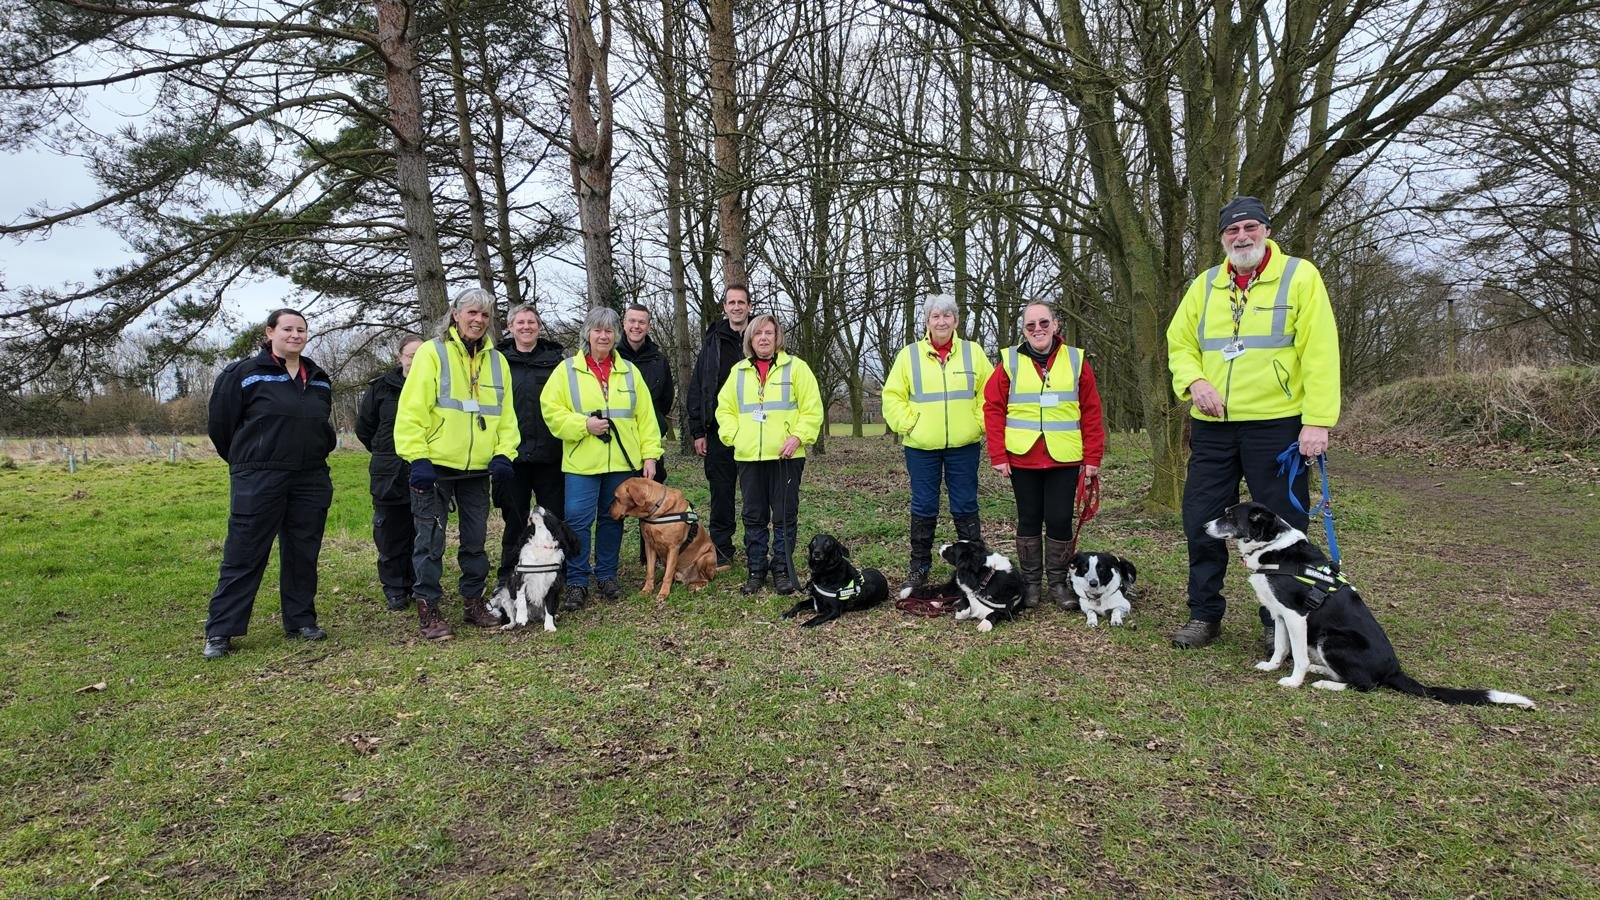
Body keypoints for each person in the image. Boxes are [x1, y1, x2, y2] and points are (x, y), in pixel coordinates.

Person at [1165, 196, 1341, 651]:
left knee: (1283, 524)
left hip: (1277, 426)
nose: (1241, 237)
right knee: (1200, 520)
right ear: (1222, 238)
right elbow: (1178, 344)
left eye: (1249, 227)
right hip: (1213, 427)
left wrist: (1317, 422)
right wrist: (1195, 381)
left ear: (1266, 229)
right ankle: (1204, 615)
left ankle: (1278, 619)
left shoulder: (1300, 277)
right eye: (1231, 231)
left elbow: (1321, 352)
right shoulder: (1204, 286)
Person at [201, 308, 337, 659]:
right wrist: (247, 462)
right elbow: (221, 427)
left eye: (301, 330)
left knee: (303, 552)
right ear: (269, 332)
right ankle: (221, 630)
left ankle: (301, 620)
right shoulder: (243, 374)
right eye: (287, 329)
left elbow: (323, 425)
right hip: (259, 476)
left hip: (309, 477)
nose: (295, 335)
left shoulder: (319, 378)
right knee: (244, 553)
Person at [394, 288, 521, 640]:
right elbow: (411, 411)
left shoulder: (498, 361)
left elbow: (507, 417)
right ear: (455, 314)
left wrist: (503, 453)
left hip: (478, 469)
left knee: (476, 540)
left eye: (485, 315)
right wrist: (417, 457)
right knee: (430, 540)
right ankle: (428, 607)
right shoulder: (432, 354)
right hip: (434, 467)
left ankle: (473, 601)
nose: (478, 320)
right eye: (472, 313)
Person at [982, 302, 1105, 610]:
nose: (1038, 329)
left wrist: (1093, 457)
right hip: (1022, 456)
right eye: (1030, 325)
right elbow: (993, 408)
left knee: (1061, 519)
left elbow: (1091, 411)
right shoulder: (1009, 362)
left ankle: (1059, 583)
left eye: (1043, 323)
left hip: (1064, 456)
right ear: (1023, 330)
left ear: (1055, 325)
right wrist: (998, 453)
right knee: (1029, 519)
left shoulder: (1076, 360)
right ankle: (1032, 583)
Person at [540, 306, 663, 610]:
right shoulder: (567, 370)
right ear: (588, 334)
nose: (604, 335)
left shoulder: (629, 372)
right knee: (578, 522)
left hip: (621, 463)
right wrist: (584, 425)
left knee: (613, 520)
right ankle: (578, 581)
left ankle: (607, 575)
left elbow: (646, 418)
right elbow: (551, 412)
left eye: (609, 331)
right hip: (582, 463)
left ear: (615, 335)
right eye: (598, 330)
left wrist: (650, 455)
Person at [881, 293, 995, 596]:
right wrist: (909, 423)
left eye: (947, 315)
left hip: (964, 444)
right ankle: (919, 568)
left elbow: (991, 391)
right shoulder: (909, 355)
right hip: (921, 446)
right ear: (927, 321)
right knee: (924, 505)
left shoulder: (973, 353)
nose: (941, 321)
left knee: (965, 504)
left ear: (956, 320)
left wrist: (979, 422)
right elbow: (892, 396)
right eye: (935, 316)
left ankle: (975, 567)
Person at [715, 314, 824, 596]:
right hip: (749, 457)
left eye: (769, 333)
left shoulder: (796, 368)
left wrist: (798, 436)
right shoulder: (738, 372)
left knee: (785, 516)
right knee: (753, 516)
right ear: (750, 339)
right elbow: (724, 409)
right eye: (758, 333)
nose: (764, 338)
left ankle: (782, 570)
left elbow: (812, 409)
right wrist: (734, 436)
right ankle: (756, 569)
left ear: (777, 338)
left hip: (785, 457)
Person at [494, 304, 567, 590]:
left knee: (553, 522)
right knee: (515, 523)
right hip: (512, 457)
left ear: (539, 326)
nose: (526, 327)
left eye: (531, 322)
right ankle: (508, 578)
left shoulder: (557, 362)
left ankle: (556, 577)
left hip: (550, 456)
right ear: (510, 327)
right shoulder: (497, 362)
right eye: (520, 322)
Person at [355, 333, 424, 612]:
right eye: (411, 355)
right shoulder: (381, 389)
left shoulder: (433, 385)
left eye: (423, 355)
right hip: (389, 472)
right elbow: (365, 428)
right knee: (391, 533)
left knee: (424, 532)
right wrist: (386, 452)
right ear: (400, 357)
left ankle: (421, 584)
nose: (416, 360)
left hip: (424, 470)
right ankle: (395, 587)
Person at [685, 285, 752, 565]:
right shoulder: (712, 342)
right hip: (717, 431)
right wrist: (699, 430)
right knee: (721, 493)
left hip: (753, 431)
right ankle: (722, 549)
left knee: (754, 494)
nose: (736, 307)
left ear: (749, 306)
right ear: (724, 307)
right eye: (731, 302)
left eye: (741, 302)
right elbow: (698, 387)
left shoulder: (761, 336)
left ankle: (756, 548)